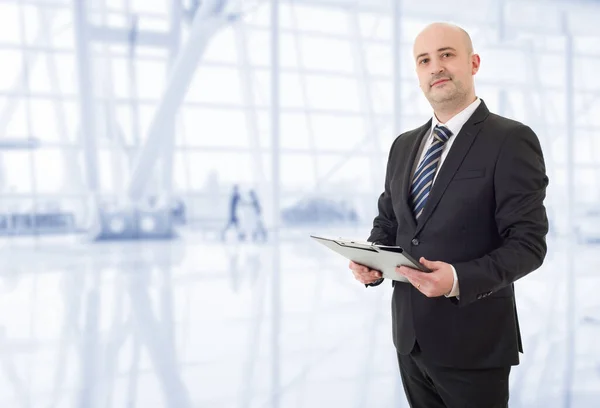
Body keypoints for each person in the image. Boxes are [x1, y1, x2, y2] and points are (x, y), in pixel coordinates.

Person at [349, 22, 549, 408]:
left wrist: (457, 279)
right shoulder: (403, 146)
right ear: (418, 74)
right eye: (425, 60)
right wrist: (371, 259)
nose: (435, 67)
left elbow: (528, 245)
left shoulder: (510, 139)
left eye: (446, 55)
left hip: (474, 343)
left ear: (473, 63)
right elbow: (389, 221)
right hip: (410, 339)